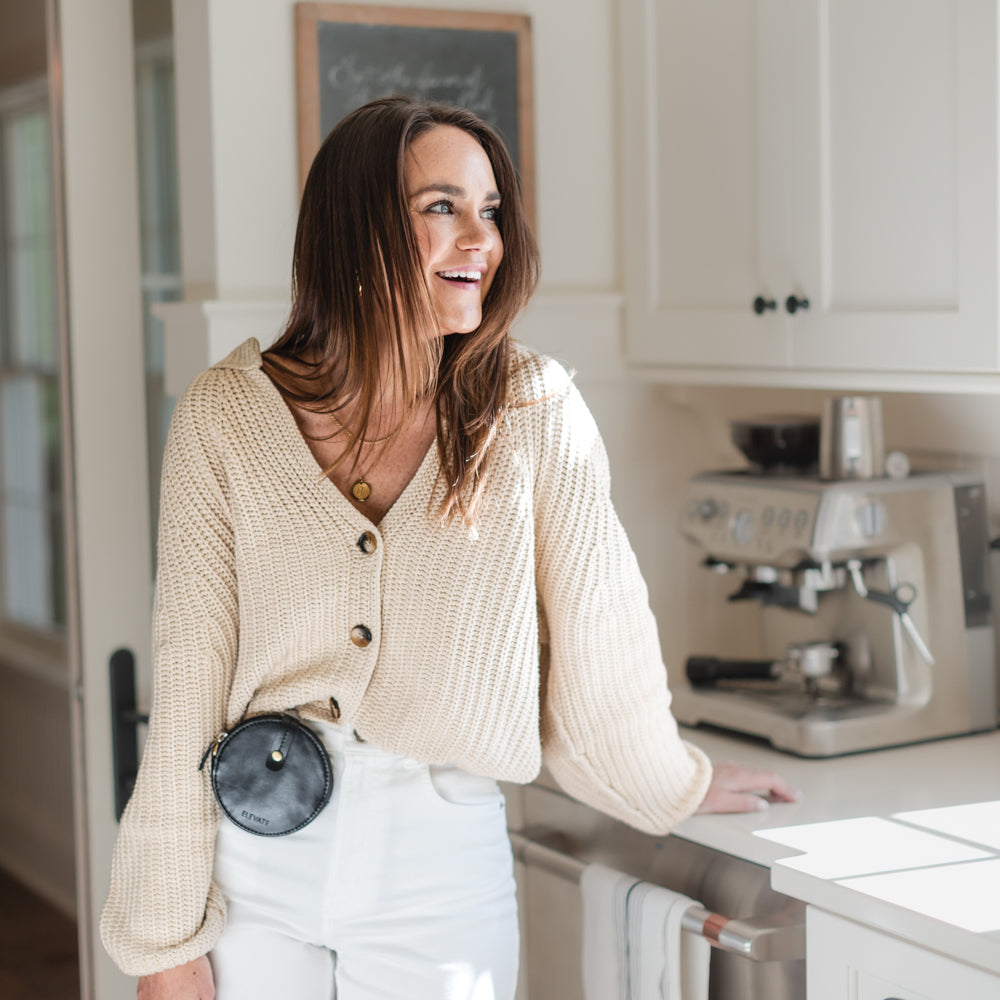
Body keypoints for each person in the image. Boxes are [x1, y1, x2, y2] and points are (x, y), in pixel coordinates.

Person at [101, 96, 799, 1000]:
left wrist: (672, 780)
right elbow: (189, 675)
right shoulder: (223, 418)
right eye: (443, 208)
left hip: (439, 867)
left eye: (491, 210)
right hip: (253, 857)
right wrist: (162, 937)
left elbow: (602, 634)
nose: (483, 240)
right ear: (358, 229)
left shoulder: (534, 410)